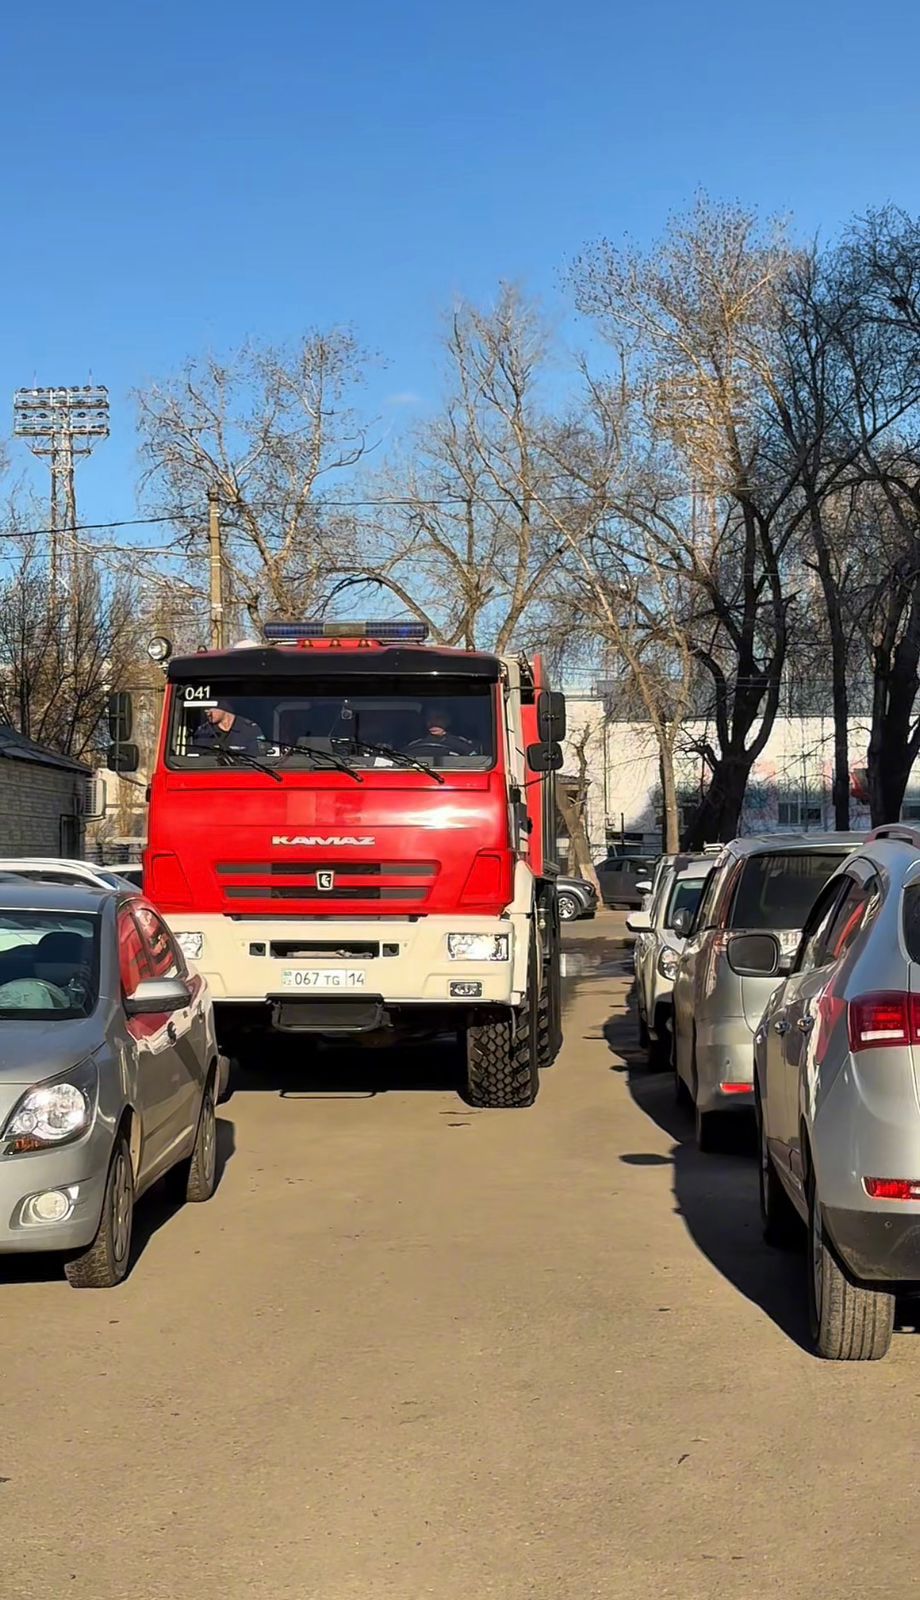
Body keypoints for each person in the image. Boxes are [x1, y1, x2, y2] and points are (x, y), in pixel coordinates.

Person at [193, 700, 264, 758]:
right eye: (205, 710)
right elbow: (198, 756)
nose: (208, 713)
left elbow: (259, 756)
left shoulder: (249, 729)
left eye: (210, 709)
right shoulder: (204, 730)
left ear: (223, 708)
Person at [408, 704, 477, 757]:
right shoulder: (414, 746)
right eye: (429, 718)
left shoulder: (462, 745)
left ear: (448, 720)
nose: (433, 722)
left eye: (438, 718)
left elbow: (475, 763)